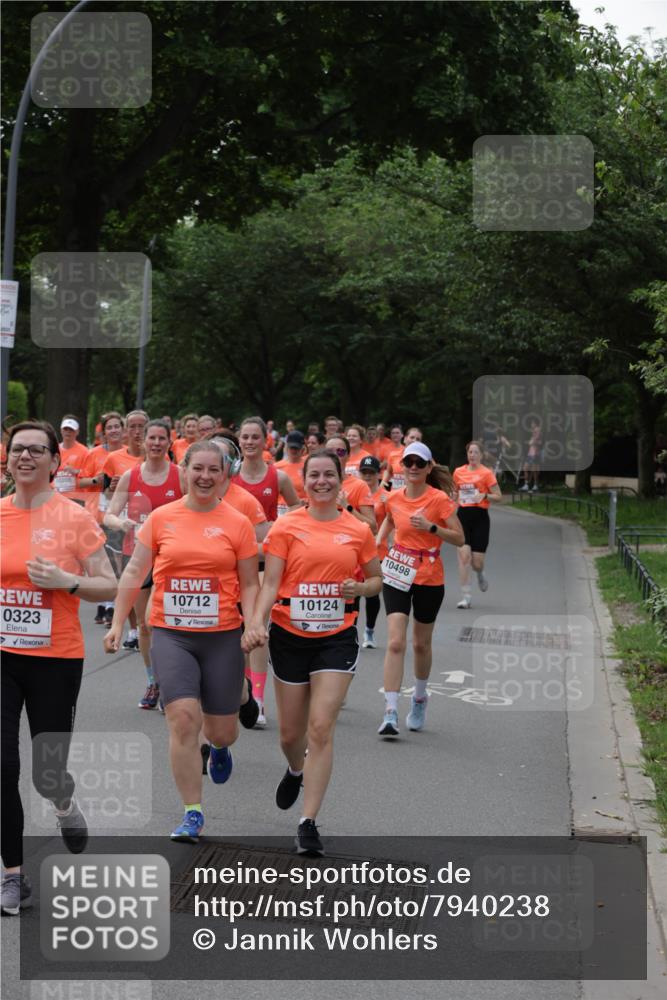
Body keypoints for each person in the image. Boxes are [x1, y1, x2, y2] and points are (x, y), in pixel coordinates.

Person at [104, 440, 259, 842]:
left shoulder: (237, 522)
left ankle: (226, 735)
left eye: (214, 470)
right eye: (198, 469)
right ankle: (192, 812)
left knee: (221, 732)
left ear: (225, 475)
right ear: (184, 471)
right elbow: (135, 570)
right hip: (172, 634)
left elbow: (249, 583)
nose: (205, 476)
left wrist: (255, 622)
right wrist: (120, 622)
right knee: (184, 719)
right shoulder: (161, 518)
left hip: (222, 635)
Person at [1, 421, 117, 915]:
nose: (25, 457)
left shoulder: (73, 517)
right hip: (3, 656)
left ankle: (63, 804)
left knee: (48, 774)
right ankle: (13, 876)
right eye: (17, 449)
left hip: (56, 658)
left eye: (36, 450)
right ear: (7, 458)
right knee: (2, 767)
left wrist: (67, 581)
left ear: (55, 461)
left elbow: (109, 585)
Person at [242, 449, 381, 855]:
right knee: (290, 733)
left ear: (341, 480)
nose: (322, 482)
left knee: (321, 727)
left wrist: (359, 589)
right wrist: (256, 622)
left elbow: (376, 580)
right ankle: (295, 767)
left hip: (336, 637)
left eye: (329, 475)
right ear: (304, 482)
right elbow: (270, 583)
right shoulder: (286, 526)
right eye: (314, 476)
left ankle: (308, 822)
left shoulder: (357, 529)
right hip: (289, 635)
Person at [376, 442, 464, 737]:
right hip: (398, 572)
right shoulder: (394, 498)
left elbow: (460, 538)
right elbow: (389, 519)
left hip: (428, 575)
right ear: (401, 466)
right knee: (396, 642)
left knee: (420, 645)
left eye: (419, 463)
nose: (413, 467)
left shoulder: (439, 500)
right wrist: (380, 541)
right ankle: (390, 711)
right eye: (408, 462)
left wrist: (432, 528)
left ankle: (420, 697)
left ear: (428, 468)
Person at [104, 419, 183, 708]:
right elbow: (108, 515)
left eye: (163, 438)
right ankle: (153, 682)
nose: (157, 443)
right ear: (143, 441)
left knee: (164, 622)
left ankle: (171, 682)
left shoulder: (180, 476)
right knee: (147, 625)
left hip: (173, 558)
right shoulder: (130, 476)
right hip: (137, 555)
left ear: (169, 443)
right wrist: (121, 521)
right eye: (152, 438)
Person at [233, 417, 301, 724]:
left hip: (262, 559)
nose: (249, 442)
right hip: (230, 562)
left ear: (265, 441)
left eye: (255, 437)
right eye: (244, 437)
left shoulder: (279, 477)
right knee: (234, 630)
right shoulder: (228, 475)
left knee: (256, 624)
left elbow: (298, 513)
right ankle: (243, 689)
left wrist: (276, 531)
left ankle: (258, 699)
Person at [78, 411, 125, 626]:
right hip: (95, 512)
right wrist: (98, 479)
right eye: (110, 427)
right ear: (104, 432)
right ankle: (103, 603)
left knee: (115, 559)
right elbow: (81, 482)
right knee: (100, 558)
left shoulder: (128, 454)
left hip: (118, 514)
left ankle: (112, 606)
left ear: (122, 430)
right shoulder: (94, 453)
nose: (114, 430)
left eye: (117, 426)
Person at [453, 441, 502, 609]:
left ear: (481, 454)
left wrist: (485, 496)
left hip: (480, 518)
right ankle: (466, 597)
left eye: (475, 452)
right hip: (463, 517)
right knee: (463, 557)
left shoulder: (486, 473)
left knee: (477, 563)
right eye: (470, 452)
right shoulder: (458, 472)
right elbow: (454, 492)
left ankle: (480, 573)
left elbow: (499, 496)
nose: (472, 455)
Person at [358, 455, 388, 648]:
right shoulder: (353, 492)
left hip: (379, 549)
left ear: (379, 474)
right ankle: (349, 629)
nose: (367, 476)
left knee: (372, 593)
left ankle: (369, 631)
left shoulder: (386, 496)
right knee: (352, 591)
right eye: (364, 472)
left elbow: (391, 522)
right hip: (356, 549)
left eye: (371, 472)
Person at [325, 436, 376, 532]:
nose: (335, 456)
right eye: (330, 452)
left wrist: (347, 507)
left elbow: (373, 528)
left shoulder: (359, 486)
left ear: (348, 456)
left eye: (340, 452)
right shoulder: (317, 484)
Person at [55, 416, 89, 501]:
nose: (68, 432)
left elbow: (90, 475)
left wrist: (76, 471)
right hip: (57, 497)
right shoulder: (54, 450)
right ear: (61, 430)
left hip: (77, 499)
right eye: (65, 429)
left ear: (77, 432)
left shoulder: (85, 452)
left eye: (71, 429)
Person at [381, 426, 422, 492]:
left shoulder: (424, 458)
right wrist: (383, 482)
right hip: (395, 495)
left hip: (413, 495)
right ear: (405, 439)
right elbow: (388, 471)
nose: (414, 440)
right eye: (412, 437)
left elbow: (433, 473)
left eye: (418, 439)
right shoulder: (393, 455)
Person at [275, 430, 306, 515]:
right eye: (291, 447)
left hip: (300, 509)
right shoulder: (276, 467)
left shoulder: (308, 466)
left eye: (296, 448)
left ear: (303, 448)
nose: (293, 450)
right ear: (286, 447)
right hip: (279, 510)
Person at [520, 419, 543, 492]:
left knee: (533, 470)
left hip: (535, 453)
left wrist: (532, 441)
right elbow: (532, 442)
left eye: (532, 423)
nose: (531, 425)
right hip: (530, 453)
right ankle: (527, 485)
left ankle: (535, 485)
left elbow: (536, 442)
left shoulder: (537, 430)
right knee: (526, 468)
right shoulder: (534, 432)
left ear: (536, 424)